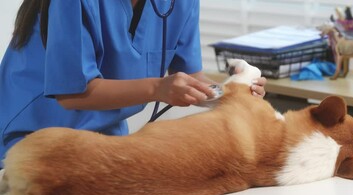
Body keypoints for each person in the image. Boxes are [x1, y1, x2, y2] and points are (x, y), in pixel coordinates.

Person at [0, 0, 266, 169]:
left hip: (104, 142)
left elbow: (189, 76)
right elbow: (72, 94)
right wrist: (158, 88)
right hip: (30, 144)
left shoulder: (180, 3)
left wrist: (234, 93)